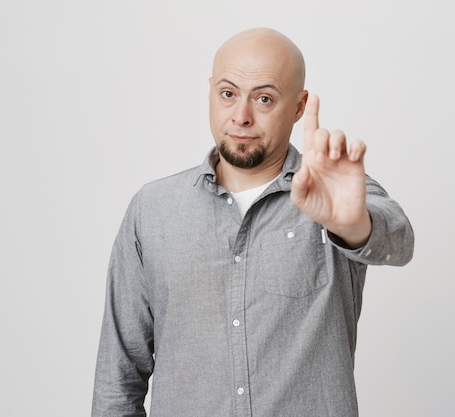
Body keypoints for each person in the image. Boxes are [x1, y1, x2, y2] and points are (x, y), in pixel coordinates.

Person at [91, 27, 414, 417]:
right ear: (210, 91)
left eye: (264, 98)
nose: (241, 117)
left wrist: (352, 225)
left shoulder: (334, 192)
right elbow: (119, 378)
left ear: (298, 107)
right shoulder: (152, 209)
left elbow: (398, 239)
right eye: (228, 94)